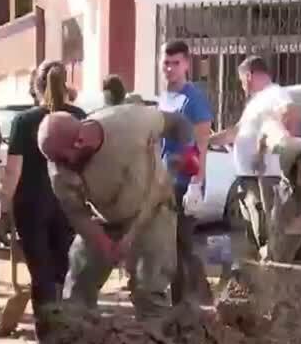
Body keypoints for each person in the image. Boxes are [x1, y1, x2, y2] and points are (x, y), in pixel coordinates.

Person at [37, 105, 195, 320]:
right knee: (77, 291)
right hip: (104, 217)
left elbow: (179, 123)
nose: (58, 167)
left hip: (153, 211)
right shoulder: (58, 168)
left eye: (63, 159)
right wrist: (103, 242)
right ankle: (77, 338)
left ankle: (156, 337)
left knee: (148, 290)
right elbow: (77, 213)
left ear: (80, 141)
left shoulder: (129, 123)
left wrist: (187, 153)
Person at [4, 61, 87, 338]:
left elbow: (13, 171)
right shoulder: (79, 117)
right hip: (69, 202)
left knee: (41, 274)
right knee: (65, 270)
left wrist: (2, 206)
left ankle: (47, 339)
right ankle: (66, 333)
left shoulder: (23, 121)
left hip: (31, 204)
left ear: (35, 87)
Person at [210, 56, 299, 269]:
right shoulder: (255, 103)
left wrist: (268, 149)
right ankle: (260, 269)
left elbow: (290, 113)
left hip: (265, 176)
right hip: (247, 177)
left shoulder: (274, 93)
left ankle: (272, 270)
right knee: (253, 229)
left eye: (242, 81)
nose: (242, 86)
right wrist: (207, 140)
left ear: (249, 76)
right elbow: (235, 132)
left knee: (267, 227)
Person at [157, 40, 213, 306]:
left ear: (187, 64)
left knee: (182, 244)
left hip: (186, 180)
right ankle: (183, 299)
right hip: (165, 178)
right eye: (166, 63)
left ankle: (189, 303)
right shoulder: (165, 96)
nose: (170, 68)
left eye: (176, 63)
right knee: (169, 244)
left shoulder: (194, 99)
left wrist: (196, 183)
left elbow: (202, 144)